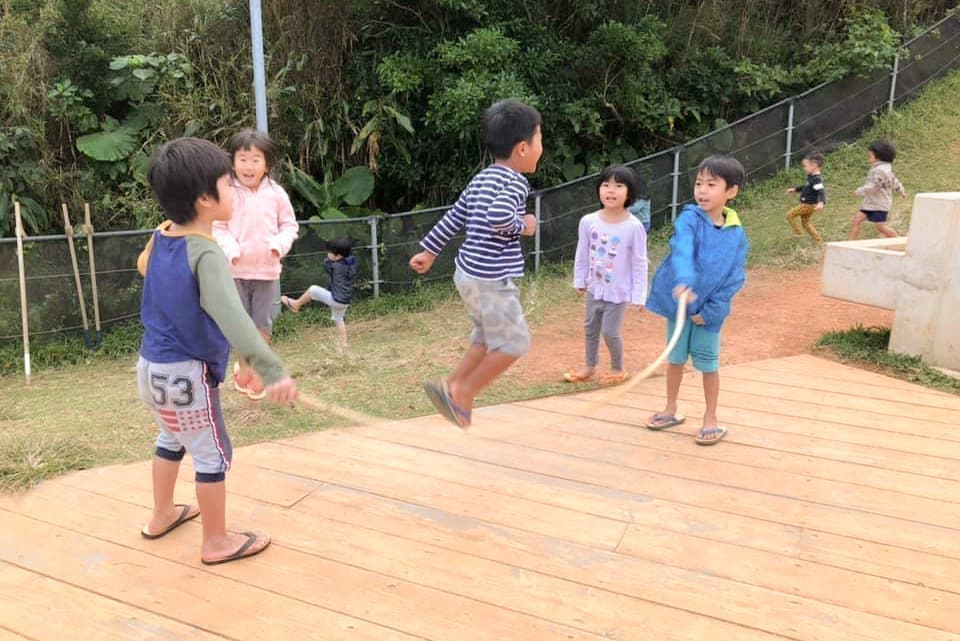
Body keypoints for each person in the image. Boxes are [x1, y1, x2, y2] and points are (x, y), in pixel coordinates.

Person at [136, 137, 297, 565]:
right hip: (187, 376)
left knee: (170, 437)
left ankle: (162, 514)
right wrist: (272, 370)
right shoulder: (206, 253)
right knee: (212, 454)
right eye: (229, 183)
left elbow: (144, 265)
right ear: (206, 199)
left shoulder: (162, 232)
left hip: (149, 369)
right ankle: (216, 541)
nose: (236, 190)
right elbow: (235, 320)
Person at [408, 99, 542, 430]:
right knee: (514, 343)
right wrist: (523, 224)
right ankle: (464, 391)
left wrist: (429, 250)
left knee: (485, 337)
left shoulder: (482, 178)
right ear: (523, 148)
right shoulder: (515, 182)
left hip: (467, 273)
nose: (542, 147)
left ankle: (450, 384)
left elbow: (455, 216)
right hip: (490, 279)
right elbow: (500, 217)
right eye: (540, 140)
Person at [644, 155, 749, 446]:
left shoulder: (737, 234)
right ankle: (670, 409)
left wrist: (714, 309)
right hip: (679, 306)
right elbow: (682, 249)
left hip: (708, 314)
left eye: (711, 184)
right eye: (699, 183)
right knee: (675, 360)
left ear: (731, 191)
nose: (702, 190)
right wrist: (684, 281)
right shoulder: (689, 218)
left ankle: (710, 417)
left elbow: (735, 276)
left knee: (709, 366)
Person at [213, 128, 299, 400]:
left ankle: (257, 369)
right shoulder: (226, 190)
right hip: (234, 271)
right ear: (233, 161)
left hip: (266, 271)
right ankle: (246, 363)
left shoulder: (276, 193)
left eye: (255, 160)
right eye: (243, 159)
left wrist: (278, 246)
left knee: (262, 325)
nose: (248, 166)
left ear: (267, 164)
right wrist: (230, 249)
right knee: (239, 325)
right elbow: (217, 226)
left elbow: (289, 226)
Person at [563, 164, 648, 385]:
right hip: (594, 287)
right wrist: (580, 280)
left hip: (618, 292)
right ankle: (589, 367)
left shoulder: (634, 227)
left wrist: (639, 295)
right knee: (590, 327)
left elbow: (640, 263)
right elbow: (582, 252)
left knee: (610, 332)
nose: (611, 190)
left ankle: (618, 369)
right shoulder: (588, 221)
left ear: (629, 193)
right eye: (606, 185)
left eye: (618, 186)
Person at [281, 237, 358, 350]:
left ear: (338, 256)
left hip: (336, 299)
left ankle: (296, 304)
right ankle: (343, 345)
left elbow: (326, 265)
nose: (328, 254)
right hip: (345, 300)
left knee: (313, 289)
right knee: (339, 319)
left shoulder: (336, 266)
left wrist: (329, 260)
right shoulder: (350, 264)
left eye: (330, 252)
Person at [848, 140, 907, 240]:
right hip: (872, 203)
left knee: (881, 227)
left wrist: (860, 191)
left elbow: (874, 187)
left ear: (879, 157)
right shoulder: (885, 169)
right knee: (856, 221)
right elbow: (894, 180)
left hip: (879, 205)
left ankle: (899, 240)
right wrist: (901, 190)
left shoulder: (879, 170)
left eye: (870, 156)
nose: (868, 159)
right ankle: (849, 243)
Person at [785, 152, 826, 242]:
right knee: (806, 223)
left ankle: (798, 234)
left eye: (805, 166)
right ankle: (818, 241)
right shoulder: (811, 177)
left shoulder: (816, 179)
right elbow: (806, 186)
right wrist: (795, 189)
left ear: (814, 165)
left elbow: (821, 191)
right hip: (809, 205)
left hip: (808, 205)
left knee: (789, 215)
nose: (804, 168)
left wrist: (821, 202)